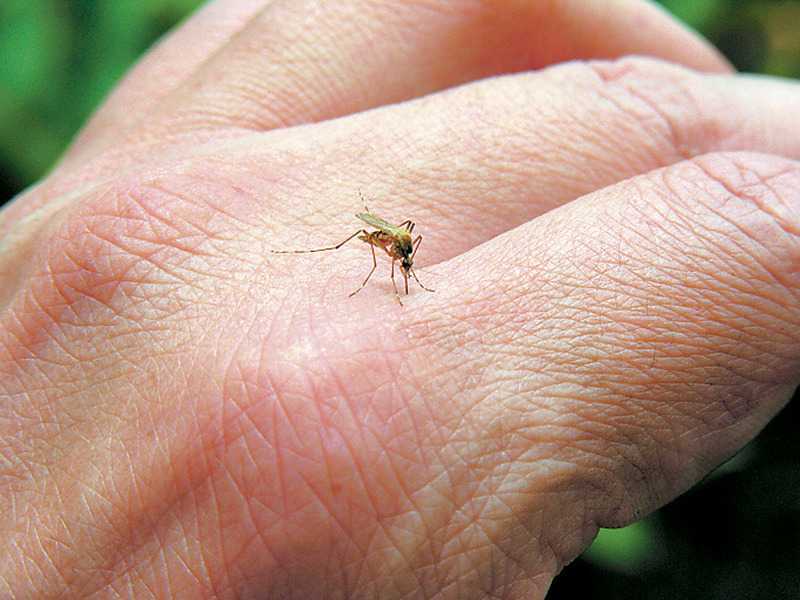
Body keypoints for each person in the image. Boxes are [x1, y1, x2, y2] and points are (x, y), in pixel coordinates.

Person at [1, 1, 798, 597]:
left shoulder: (406, 241)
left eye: (404, 252)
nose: (402, 255)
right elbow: (380, 238)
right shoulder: (381, 241)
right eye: (403, 252)